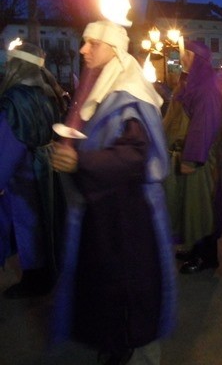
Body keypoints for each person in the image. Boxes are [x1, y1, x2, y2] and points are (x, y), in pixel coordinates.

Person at [50, 20, 177, 364]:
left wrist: (81, 163)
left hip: (127, 216)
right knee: (103, 284)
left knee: (124, 286)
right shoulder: (102, 91)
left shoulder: (128, 98)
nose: (83, 50)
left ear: (114, 51)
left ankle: (125, 345)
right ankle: (112, 341)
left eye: (92, 43)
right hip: (103, 209)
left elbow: (134, 156)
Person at [0, 42, 67, 299]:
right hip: (45, 166)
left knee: (30, 226)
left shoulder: (16, 100)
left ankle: (36, 280)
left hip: (25, 174)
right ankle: (45, 274)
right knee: (45, 221)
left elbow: (9, 144)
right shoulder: (46, 95)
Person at [163, 40, 222, 274]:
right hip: (186, 154)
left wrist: (191, 158)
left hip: (199, 159)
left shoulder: (207, 87)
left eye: (187, 54)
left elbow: (204, 125)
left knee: (202, 209)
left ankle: (206, 257)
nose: (182, 58)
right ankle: (194, 248)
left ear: (198, 59)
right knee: (188, 207)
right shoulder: (190, 83)